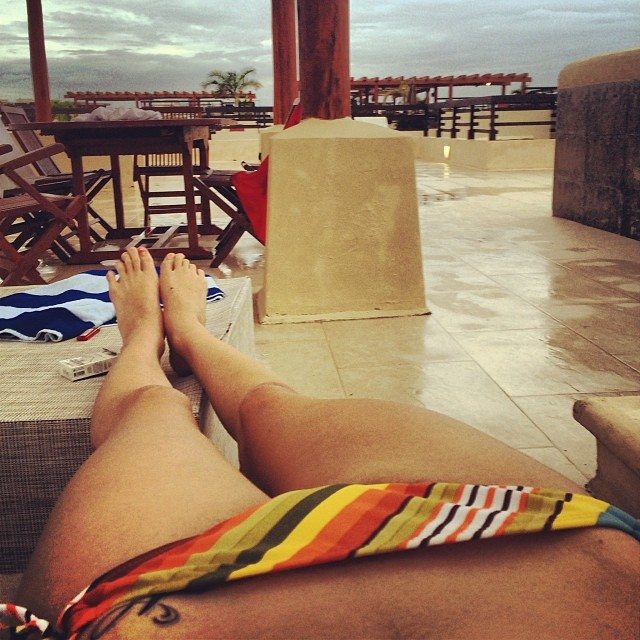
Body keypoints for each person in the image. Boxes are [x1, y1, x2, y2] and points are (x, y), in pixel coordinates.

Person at [6, 247, 639, 639]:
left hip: (158, 600)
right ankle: (191, 335)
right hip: (544, 539)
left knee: (154, 410)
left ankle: (147, 334)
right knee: (270, 406)